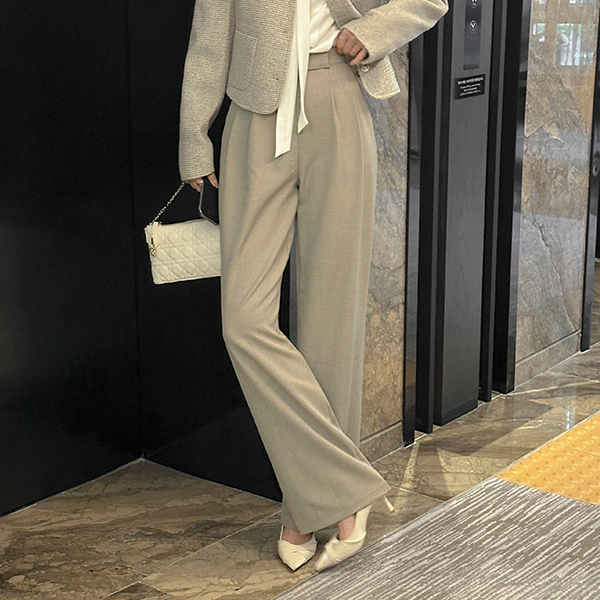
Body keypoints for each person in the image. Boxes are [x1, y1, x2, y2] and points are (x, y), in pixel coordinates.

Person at [179, 0, 448, 572]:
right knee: (244, 322)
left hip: (338, 95)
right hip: (255, 113)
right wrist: (193, 137)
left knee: (332, 321)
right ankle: (349, 492)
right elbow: (209, 37)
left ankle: (304, 510)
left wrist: (373, 31)